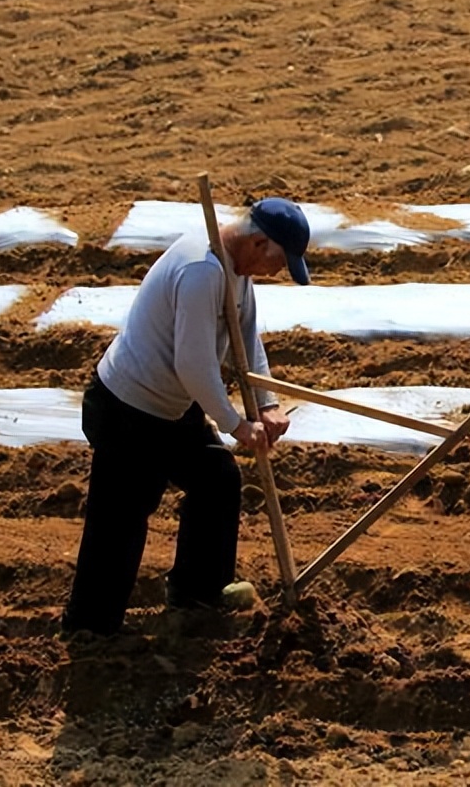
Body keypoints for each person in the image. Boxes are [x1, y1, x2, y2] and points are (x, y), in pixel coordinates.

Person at [61, 197, 312, 636]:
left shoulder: (236, 268)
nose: (276, 273)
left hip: (170, 405)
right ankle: (90, 631)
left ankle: (198, 593)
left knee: (217, 479)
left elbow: (245, 338)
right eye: (279, 263)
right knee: (120, 522)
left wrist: (267, 402)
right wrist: (237, 425)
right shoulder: (202, 270)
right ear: (258, 242)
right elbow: (193, 366)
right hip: (128, 408)